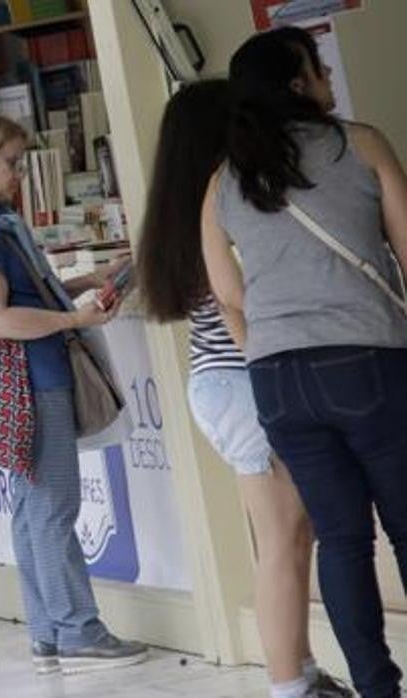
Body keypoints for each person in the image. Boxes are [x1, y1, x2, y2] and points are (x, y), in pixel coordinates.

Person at [202, 27, 407, 698]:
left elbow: (228, 298)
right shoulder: (361, 142)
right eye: (318, 69)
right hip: (367, 361)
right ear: (299, 84)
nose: (327, 78)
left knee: (343, 541)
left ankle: (377, 688)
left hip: (277, 380)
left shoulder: (223, 181)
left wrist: (270, 354)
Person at [137, 79, 351, 698]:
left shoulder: (180, 214)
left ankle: (301, 674)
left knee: (284, 538)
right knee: (285, 541)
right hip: (247, 380)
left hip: (219, 385)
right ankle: (291, 684)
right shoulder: (226, 207)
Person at [0, 110, 145, 675]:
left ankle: (47, 632)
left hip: (17, 380)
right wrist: (74, 321)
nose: (19, 174)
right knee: (53, 508)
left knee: (31, 511)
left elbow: (15, 291)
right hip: (32, 377)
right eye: (10, 163)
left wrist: (84, 283)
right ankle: (78, 630)